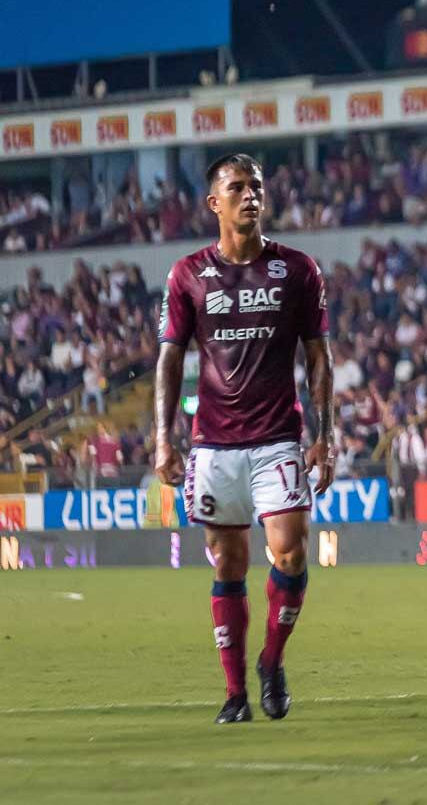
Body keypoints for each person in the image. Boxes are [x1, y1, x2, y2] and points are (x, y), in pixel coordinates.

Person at [153, 153, 334, 725]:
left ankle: (271, 660)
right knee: (229, 565)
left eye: (256, 186)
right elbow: (169, 360)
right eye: (237, 188)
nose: (251, 195)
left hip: (278, 437)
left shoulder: (297, 269)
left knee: (291, 551)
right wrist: (163, 438)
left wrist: (325, 435)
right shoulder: (187, 274)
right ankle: (235, 695)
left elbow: (319, 357)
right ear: (215, 203)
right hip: (213, 445)